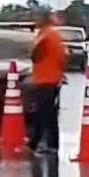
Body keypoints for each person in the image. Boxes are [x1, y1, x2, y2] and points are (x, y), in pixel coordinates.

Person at [26, 10, 66, 155]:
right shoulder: (53, 35)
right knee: (43, 114)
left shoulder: (44, 36)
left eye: (36, 17)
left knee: (46, 115)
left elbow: (34, 56)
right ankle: (35, 142)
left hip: (44, 79)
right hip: (52, 78)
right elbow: (62, 57)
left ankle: (50, 144)